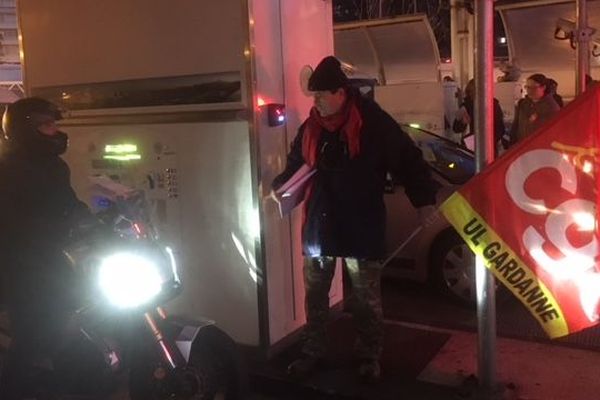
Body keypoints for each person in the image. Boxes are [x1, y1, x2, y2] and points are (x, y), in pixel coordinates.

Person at [271, 56, 438, 382]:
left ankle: (368, 355)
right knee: (316, 295)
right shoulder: (311, 126)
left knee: (365, 298)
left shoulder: (373, 123)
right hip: (319, 224)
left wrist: (424, 201)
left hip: (361, 224)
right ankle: (313, 350)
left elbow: (408, 159)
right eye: (313, 96)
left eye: (321, 95)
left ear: (341, 93)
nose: (315, 101)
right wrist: (282, 185)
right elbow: (296, 163)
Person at [0, 97, 93, 399]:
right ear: (28, 130)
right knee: (33, 332)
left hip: (49, 259)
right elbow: (16, 222)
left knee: (76, 307)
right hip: (19, 265)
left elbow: (68, 203)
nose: (55, 131)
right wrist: (57, 228)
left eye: (54, 124)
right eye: (47, 125)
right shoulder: (9, 170)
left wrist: (99, 222)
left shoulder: (54, 166)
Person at [452, 79, 507, 152]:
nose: (472, 95)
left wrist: (489, 141)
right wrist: (462, 122)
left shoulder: (493, 104)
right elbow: (456, 128)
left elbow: (500, 128)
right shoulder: (466, 106)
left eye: (474, 92)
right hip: (472, 147)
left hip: (488, 147)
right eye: (471, 92)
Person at [508, 73, 560, 146]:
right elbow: (516, 125)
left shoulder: (551, 107)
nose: (529, 91)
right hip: (521, 146)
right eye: (527, 87)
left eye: (533, 88)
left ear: (543, 87)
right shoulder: (523, 104)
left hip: (539, 148)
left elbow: (554, 132)